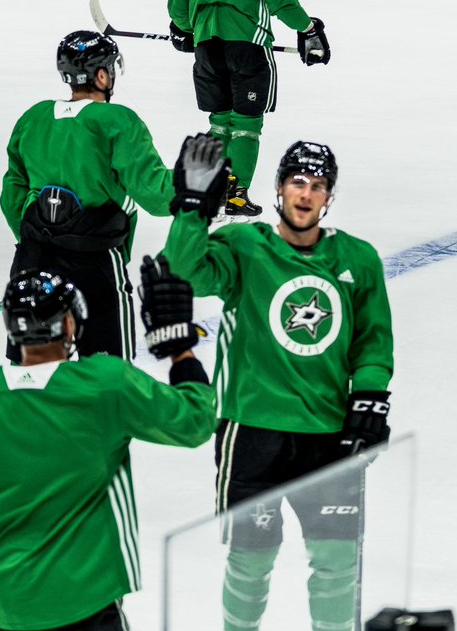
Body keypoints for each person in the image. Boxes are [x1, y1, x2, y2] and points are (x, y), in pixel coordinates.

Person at [0, 258, 216, 631]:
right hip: (81, 600)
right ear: (69, 324)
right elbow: (194, 422)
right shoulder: (106, 383)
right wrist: (180, 349)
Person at [162, 135, 393, 631]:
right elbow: (184, 272)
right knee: (249, 567)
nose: (306, 194)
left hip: (329, 435)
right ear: (279, 188)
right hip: (252, 433)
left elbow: (373, 344)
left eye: (317, 185)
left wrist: (371, 400)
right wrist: (191, 210)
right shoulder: (246, 245)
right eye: (297, 182)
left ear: (329, 197)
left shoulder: (359, 258)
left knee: (336, 568)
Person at [0, 29, 174, 362]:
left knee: (32, 375)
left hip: (35, 262)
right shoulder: (118, 121)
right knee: (109, 374)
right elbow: (156, 195)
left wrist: (44, 237)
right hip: (96, 263)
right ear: (103, 74)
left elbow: (12, 195)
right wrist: (194, 188)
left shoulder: (33, 117)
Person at [166, 0, 331, 218]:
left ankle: (212, 189)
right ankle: (237, 195)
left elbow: (180, 0)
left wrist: (184, 29)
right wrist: (307, 28)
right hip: (247, 45)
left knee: (219, 121)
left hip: (207, 46)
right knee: (246, 125)